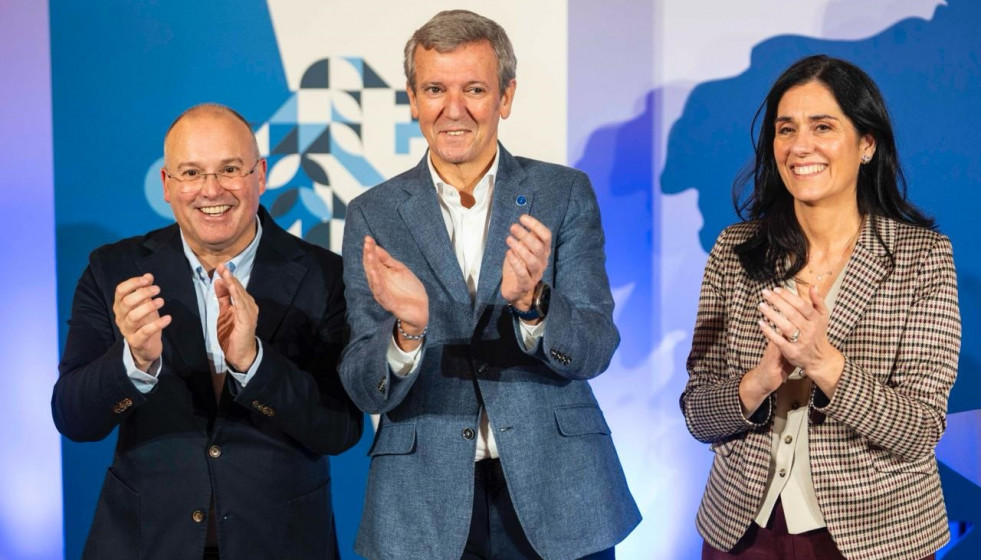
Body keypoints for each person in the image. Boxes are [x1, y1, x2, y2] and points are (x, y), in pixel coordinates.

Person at [338, 9, 640, 560]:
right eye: (434, 89)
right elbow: (362, 385)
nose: (453, 110)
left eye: (474, 88)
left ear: (505, 96)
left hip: (561, 492)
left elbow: (595, 348)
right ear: (412, 98)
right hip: (422, 504)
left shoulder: (562, 193)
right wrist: (408, 331)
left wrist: (534, 305)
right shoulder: (373, 214)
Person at [52, 103, 363, 560]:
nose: (211, 190)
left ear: (261, 174)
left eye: (230, 169)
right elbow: (74, 419)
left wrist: (253, 364)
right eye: (192, 173)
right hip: (145, 542)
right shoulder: (113, 270)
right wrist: (133, 362)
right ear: (167, 185)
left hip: (281, 542)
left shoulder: (325, 275)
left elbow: (340, 430)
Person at [681, 55, 961, 560]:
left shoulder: (922, 257)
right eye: (785, 129)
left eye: (823, 126)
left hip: (874, 537)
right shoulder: (734, 249)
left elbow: (920, 430)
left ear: (867, 144)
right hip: (741, 534)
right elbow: (698, 415)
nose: (800, 146)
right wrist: (761, 380)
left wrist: (823, 362)